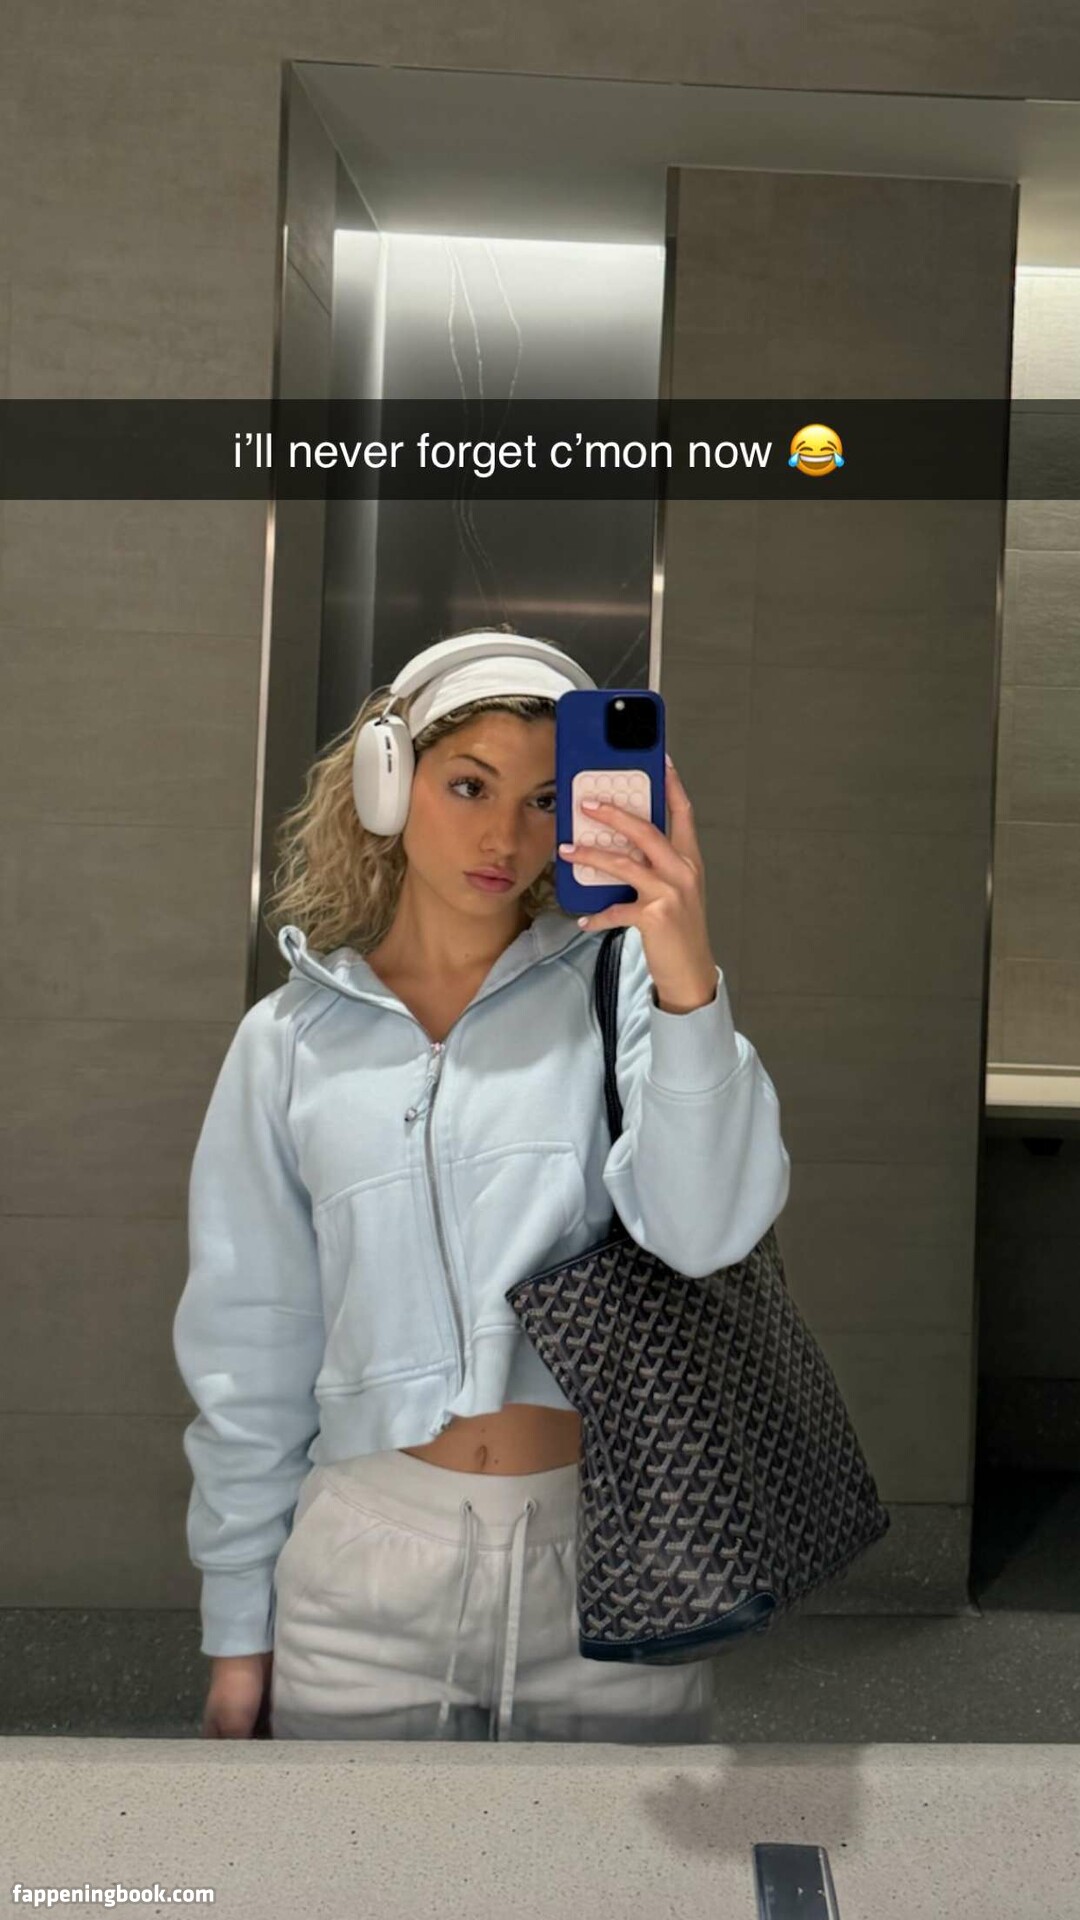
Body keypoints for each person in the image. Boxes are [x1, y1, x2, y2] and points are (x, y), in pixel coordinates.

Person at [172, 625, 791, 1742]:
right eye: (469, 785)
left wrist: (684, 968)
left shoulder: (633, 995)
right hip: (361, 1579)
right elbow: (250, 1353)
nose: (506, 835)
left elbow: (706, 1232)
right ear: (389, 783)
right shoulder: (289, 1043)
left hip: (612, 1566)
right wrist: (236, 1634)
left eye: (547, 800)